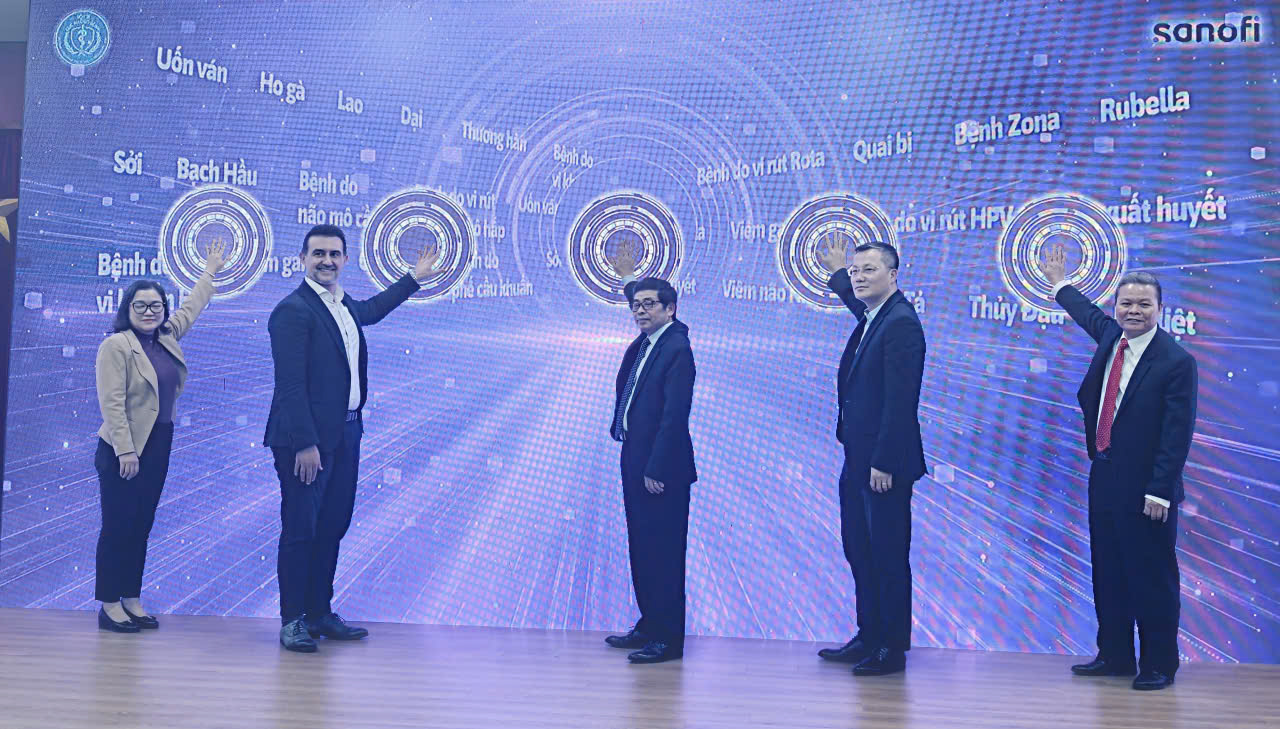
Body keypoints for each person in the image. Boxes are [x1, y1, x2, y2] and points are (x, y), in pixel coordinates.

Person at [265, 223, 439, 653]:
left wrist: (414, 279)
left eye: (334, 254)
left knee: (332, 525)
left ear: (345, 260)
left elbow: (374, 309)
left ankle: (319, 612)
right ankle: (293, 620)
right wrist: (305, 444)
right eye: (318, 254)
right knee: (301, 528)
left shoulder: (341, 304)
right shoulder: (292, 310)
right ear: (302, 259)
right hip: (306, 442)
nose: (326, 261)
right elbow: (290, 385)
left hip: (346, 433)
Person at [1040, 244, 1197, 691]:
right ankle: (1115, 655)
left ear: (1160, 309)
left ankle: (1159, 664)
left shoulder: (1176, 361)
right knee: (1108, 571)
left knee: (1151, 578)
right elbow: (1084, 312)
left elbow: (1176, 435)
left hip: (1148, 489)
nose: (1134, 311)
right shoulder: (1112, 338)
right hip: (1105, 477)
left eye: (1144, 304)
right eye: (1126, 303)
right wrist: (1059, 282)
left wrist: (1160, 490)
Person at [93, 241, 226, 632]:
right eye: (141, 305)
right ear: (128, 309)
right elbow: (111, 403)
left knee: (141, 525)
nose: (149, 311)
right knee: (118, 526)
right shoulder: (116, 345)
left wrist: (210, 271)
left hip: (159, 443)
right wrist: (126, 451)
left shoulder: (166, 336)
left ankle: (131, 598)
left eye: (156, 306)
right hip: (123, 448)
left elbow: (192, 307)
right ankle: (109, 604)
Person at [815, 238, 926, 676]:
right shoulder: (876, 316)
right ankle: (869, 633)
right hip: (858, 457)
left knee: (887, 555)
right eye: (855, 271)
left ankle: (890, 648)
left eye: (869, 270)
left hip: (884, 464)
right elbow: (855, 301)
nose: (859, 278)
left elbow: (901, 401)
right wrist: (838, 274)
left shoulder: (901, 323)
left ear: (893, 275)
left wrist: (885, 461)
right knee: (860, 549)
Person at [601, 247, 697, 664]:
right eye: (635, 305)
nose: (639, 311)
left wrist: (656, 468)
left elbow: (675, 416)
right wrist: (629, 277)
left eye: (649, 305)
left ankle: (668, 639)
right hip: (636, 459)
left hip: (662, 468)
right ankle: (649, 624)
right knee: (642, 547)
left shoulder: (676, 348)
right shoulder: (650, 340)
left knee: (663, 552)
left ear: (670, 309)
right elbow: (638, 296)